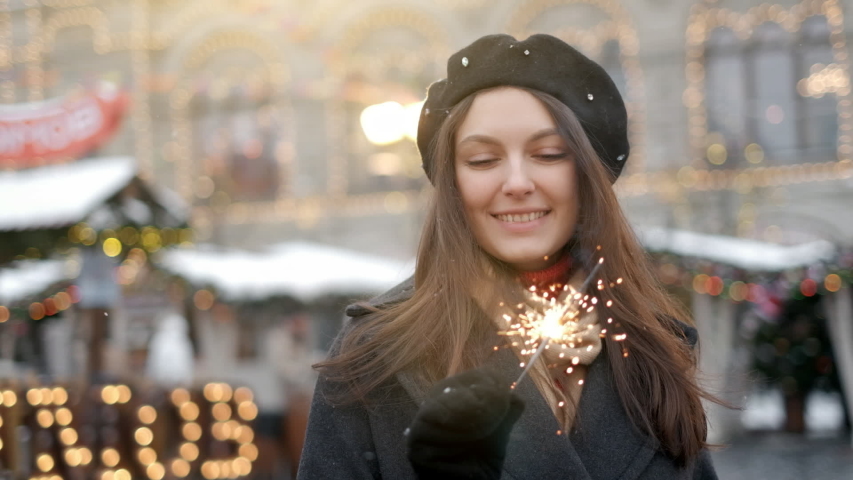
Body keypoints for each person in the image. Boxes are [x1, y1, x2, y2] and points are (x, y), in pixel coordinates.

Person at [298, 34, 721, 479]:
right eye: (482, 160)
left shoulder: (652, 350)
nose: (517, 182)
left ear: (585, 174)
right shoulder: (378, 355)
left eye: (548, 154)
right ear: (453, 183)